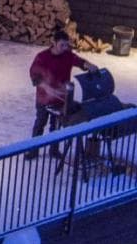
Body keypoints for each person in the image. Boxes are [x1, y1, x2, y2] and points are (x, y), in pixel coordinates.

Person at [27, 26, 95, 158]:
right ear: (54, 42)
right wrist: (47, 88)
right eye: (62, 45)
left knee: (56, 126)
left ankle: (54, 150)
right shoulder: (42, 57)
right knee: (40, 123)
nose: (65, 48)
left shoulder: (68, 55)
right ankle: (33, 150)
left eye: (66, 45)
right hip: (44, 99)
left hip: (61, 99)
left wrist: (89, 65)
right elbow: (34, 75)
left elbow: (79, 61)